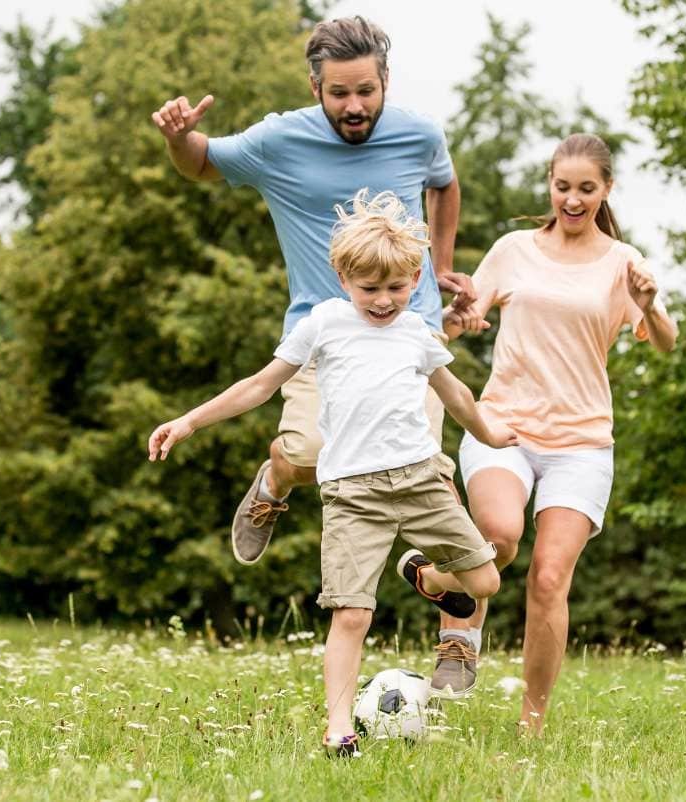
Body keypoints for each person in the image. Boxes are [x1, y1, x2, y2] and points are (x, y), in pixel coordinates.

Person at [147, 190, 514, 755]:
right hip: (353, 495)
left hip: (419, 483)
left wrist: (492, 435)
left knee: (485, 581)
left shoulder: (417, 333)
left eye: (396, 288)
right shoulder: (325, 325)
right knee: (351, 614)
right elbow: (259, 385)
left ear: (415, 278)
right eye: (370, 289)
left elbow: (457, 395)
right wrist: (190, 421)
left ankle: (424, 574)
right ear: (343, 277)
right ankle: (338, 726)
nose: (384, 301)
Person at [151, 16, 474, 566]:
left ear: (386, 81)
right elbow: (201, 163)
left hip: (410, 331)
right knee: (309, 456)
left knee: (431, 478)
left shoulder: (419, 134)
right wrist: (180, 139)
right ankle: (275, 478)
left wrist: (439, 266)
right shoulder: (279, 141)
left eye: (366, 91)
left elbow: (443, 182)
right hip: (322, 338)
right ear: (315, 87)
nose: (354, 106)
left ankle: (457, 641)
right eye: (339, 92)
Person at [397, 134, 677, 735]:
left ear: (606, 190)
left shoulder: (623, 262)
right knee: (497, 536)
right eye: (562, 186)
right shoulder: (515, 249)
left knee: (550, 576)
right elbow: (462, 316)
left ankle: (531, 724)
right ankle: (457, 627)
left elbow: (664, 339)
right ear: (549, 184)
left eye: (586, 188)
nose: (572, 199)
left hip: (582, 443)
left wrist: (649, 307)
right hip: (506, 427)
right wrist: (461, 318)